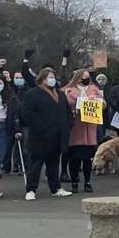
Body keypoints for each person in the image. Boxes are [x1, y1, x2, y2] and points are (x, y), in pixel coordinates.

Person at [20, 67, 74, 201]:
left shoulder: (60, 94)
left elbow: (66, 111)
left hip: (58, 134)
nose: (52, 80)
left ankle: (55, 188)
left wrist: (68, 125)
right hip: (40, 135)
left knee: (54, 163)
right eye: (49, 77)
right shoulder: (32, 94)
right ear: (42, 79)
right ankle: (31, 189)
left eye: (53, 77)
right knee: (36, 164)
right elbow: (27, 114)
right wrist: (40, 127)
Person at [64, 69, 103, 192]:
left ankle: (87, 182)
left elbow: (104, 103)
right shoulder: (69, 90)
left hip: (90, 127)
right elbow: (65, 103)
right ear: (78, 78)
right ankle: (74, 181)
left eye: (87, 77)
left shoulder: (94, 89)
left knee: (88, 158)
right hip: (76, 126)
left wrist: (96, 101)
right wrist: (77, 104)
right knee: (74, 158)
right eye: (83, 77)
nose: (86, 80)